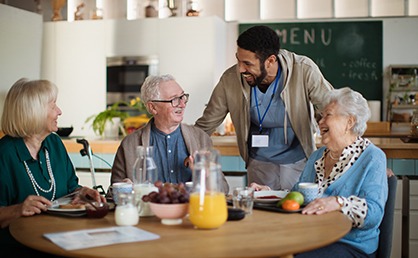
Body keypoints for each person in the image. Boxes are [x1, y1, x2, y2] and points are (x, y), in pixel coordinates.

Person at [195, 25, 333, 191]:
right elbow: (206, 123)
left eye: (247, 63)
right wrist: (188, 148)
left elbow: (332, 108)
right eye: (238, 60)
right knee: (262, 212)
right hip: (259, 163)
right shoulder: (230, 79)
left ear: (270, 61)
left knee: (295, 209)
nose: (240, 69)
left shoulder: (303, 69)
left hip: (298, 162)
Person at [254, 87, 388, 257]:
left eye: (328, 115)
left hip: (350, 245)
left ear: (349, 122)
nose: (320, 122)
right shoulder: (317, 156)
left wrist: (338, 203)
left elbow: (374, 213)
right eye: (321, 116)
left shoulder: (373, 157)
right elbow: (298, 196)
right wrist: (268, 193)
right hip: (312, 237)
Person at [0, 78, 106, 255]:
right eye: (53, 105)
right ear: (34, 111)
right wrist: (18, 209)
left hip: (61, 241)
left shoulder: (54, 143)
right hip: (19, 248)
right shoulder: (5, 154)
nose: (59, 111)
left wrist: (81, 193)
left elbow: (70, 187)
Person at [111, 74, 229, 194]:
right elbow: (112, 192)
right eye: (174, 100)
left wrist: (204, 174)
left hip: (191, 211)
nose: (182, 104)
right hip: (149, 212)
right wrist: (124, 188)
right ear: (153, 107)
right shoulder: (129, 145)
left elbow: (223, 190)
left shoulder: (200, 138)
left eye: (182, 97)